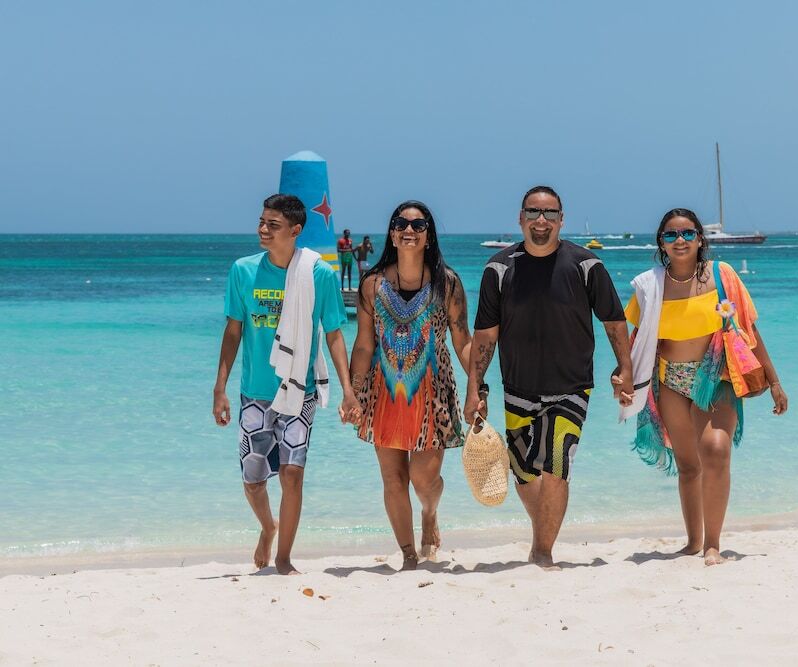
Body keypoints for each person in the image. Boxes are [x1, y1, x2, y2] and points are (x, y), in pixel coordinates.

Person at [464, 185, 634, 569]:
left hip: (571, 387)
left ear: (561, 219)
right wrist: (475, 388)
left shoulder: (587, 265)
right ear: (520, 218)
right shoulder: (498, 269)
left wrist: (624, 368)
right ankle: (544, 531)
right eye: (533, 212)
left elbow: (613, 320)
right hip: (518, 387)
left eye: (550, 213)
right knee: (524, 473)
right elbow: (486, 336)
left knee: (557, 466)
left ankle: (542, 553)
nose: (541, 220)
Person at [621, 208, 788, 566]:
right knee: (688, 465)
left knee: (715, 449)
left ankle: (713, 544)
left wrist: (774, 381)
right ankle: (693, 542)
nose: (679, 240)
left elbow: (749, 330)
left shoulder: (722, 275)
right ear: (661, 243)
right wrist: (623, 374)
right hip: (669, 379)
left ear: (700, 238)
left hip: (716, 375)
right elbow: (638, 338)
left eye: (687, 233)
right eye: (670, 235)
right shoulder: (651, 285)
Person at [212, 194, 359, 575]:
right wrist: (220, 388)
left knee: (293, 474)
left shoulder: (319, 274)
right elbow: (233, 331)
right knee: (253, 482)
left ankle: (284, 558)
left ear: (295, 230)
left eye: (273, 225)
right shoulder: (243, 271)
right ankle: (268, 527)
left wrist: (348, 390)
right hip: (254, 394)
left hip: (299, 391)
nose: (263, 229)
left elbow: (334, 334)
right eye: (262, 222)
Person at [348, 200, 472, 570]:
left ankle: (429, 513)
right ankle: (408, 555)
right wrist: (353, 392)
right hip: (383, 394)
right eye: (401, 223)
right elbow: (364, 344)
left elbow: (463, 341)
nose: (408, 230)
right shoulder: (372, 285)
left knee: (423, 479)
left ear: (428, 236)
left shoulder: (447, 284)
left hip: (434, 396)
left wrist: (477, 388)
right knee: (392, 479)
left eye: (418, 225)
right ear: (391, 233)